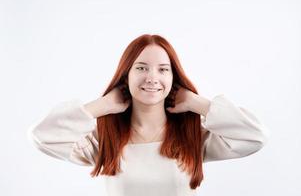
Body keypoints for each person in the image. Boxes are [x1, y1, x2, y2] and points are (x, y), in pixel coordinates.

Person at [28, 34, 269, 196]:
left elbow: (254, 137)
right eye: (141, 68)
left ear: (173, 77)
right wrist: (100, 106)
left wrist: (198, 103)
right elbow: (42, 136)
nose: (152, 77)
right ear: (126, 75)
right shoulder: (103, 139)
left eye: (163, 70)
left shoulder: (194, 136)